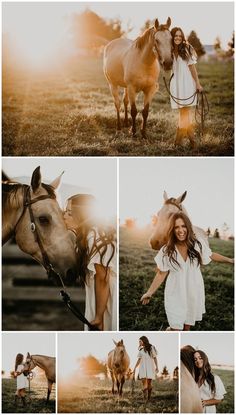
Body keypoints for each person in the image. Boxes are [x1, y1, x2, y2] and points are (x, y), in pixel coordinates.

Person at [141, 212, 234, 331]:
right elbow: (161, 273)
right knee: (176, 328)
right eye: (176, 227)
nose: (180, 230)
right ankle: (171, 330)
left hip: (193, 291)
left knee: (186, 328)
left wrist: (230, 260)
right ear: (172, 230)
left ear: (188, 227)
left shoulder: (197, 244)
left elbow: (210, 255)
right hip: (175, 293)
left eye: (183, 226)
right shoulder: (167, 250)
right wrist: (149, 292)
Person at [64, 193, 117, 331]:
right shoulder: (87, 236)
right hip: (98, 296)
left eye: (69, 213)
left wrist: (99, 316)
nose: (64, 216)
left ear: (81, 215)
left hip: (106, 300)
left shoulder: (94, 236)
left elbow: (102, 279)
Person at [170, 27, 203, 148]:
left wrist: (198, 84)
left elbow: (192, 68)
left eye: (180, 35)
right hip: (176, 84)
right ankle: (190, 141)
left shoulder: (187, 48)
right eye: (175, 36)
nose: (178, 38)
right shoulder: (170, 50)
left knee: (185, 113)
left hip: (187, 82)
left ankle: (179, 142)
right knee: (183, 113)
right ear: (172, 37)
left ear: (182, 37)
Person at [133, 336, 158, 401]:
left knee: (149, 384)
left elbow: (155, 357)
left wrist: (157, 367)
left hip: (150, 367)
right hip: (142, 368)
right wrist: (135, 368)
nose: (139, 342)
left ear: (144, 341)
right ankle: (144, 399)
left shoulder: (151, 348)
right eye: (139, 341)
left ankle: (148, 399)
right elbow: (139, 360)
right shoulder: (141, 350)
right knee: (144, 384)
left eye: (140, 341)